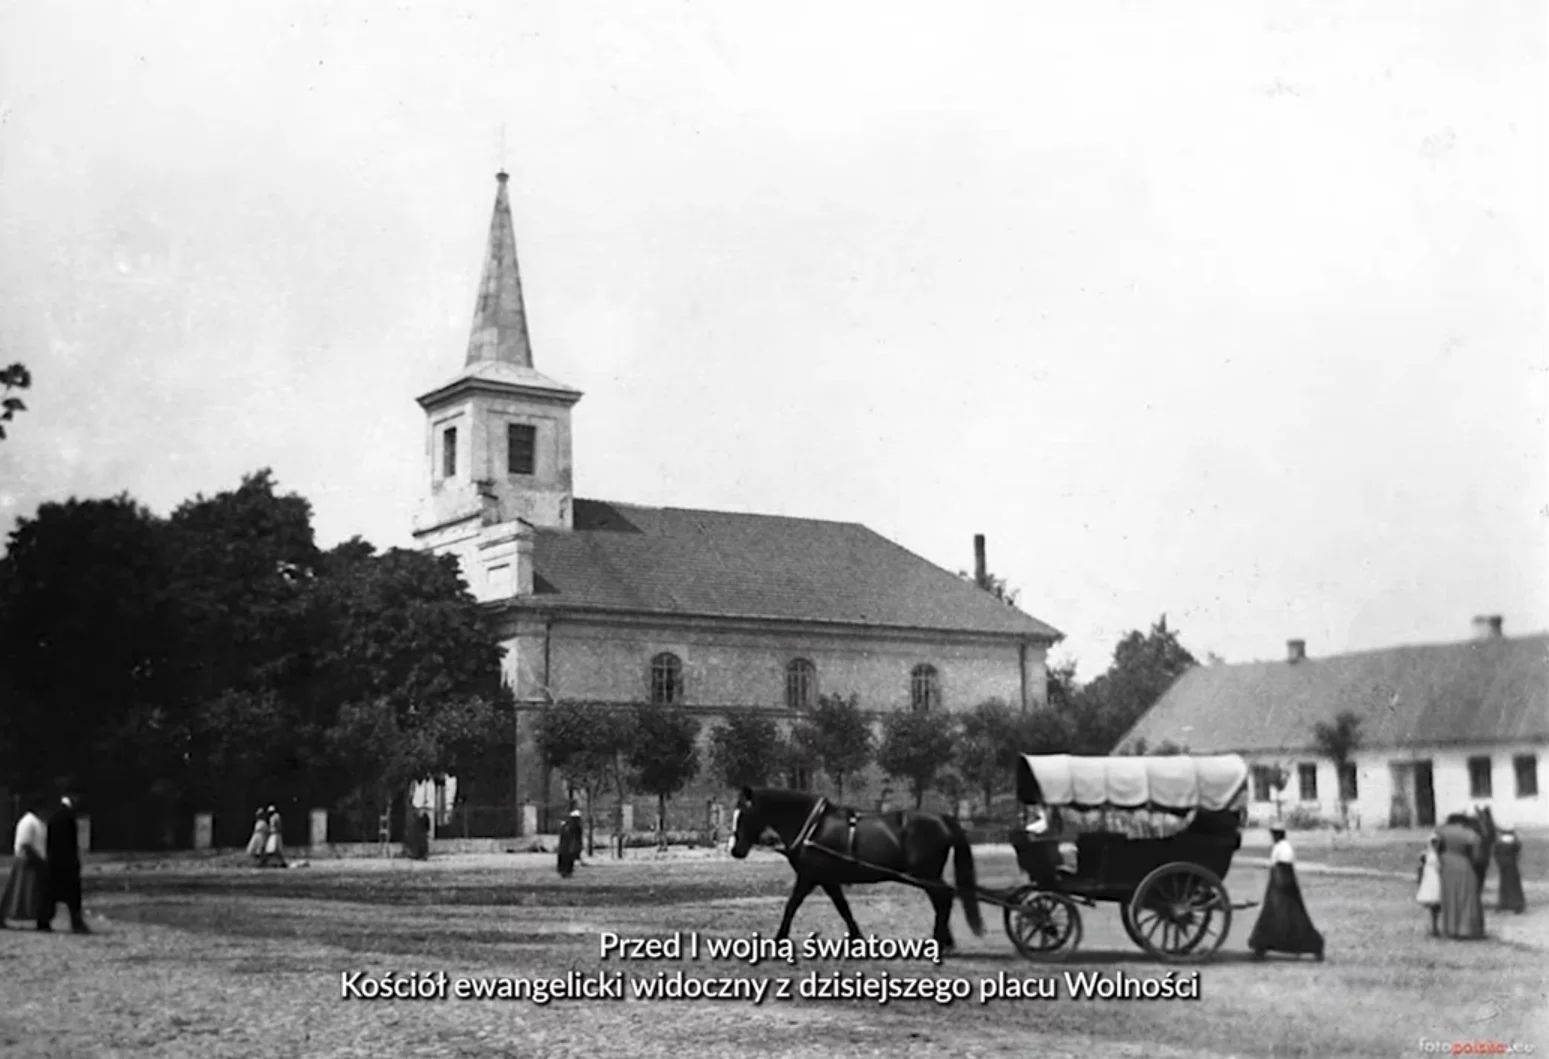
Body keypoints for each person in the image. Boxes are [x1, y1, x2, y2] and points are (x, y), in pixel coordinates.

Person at [1248, 826, 1325, 960]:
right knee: (1292, 915)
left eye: (1274, 834)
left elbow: (1278, 867)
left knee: (1273, 914)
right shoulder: (1286, 846)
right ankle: (1313, 946)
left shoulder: (1280, 847)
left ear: (1277, 835)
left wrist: (1275, 887)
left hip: (1280, 881)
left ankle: (1262, 946)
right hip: (1286, 882)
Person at [42, 794, 89, 934]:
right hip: (67, 862)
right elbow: (70, 843)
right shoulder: (68, 817)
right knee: (73, 895)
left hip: (53, 861)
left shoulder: (54, 816)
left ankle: (44, 920)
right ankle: (76, 922)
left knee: (50, 895)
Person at [1, 796, 49, 929]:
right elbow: (25, 843)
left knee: (32, 892)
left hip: (36, 858)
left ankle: (39, 918)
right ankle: (5, 915)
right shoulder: (28, 822)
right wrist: (37, 858)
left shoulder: (39, 822)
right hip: (28, 860)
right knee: (19, 891)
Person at [1435, 812, 1485, 939]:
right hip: (1464, 864)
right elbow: (1477, 856)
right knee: (1466, 898)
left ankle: (1450, 928)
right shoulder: (1470, 833)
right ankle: (1465, 929)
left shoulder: (1441, 831)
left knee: (1449, 898)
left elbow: (1435, 848)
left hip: (1446, 865)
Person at [1493, 825, 1525, 914]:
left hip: (1503, 865)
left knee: (1504, 885)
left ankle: (1504, 903)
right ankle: (1517, 904)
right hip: (1512, 865)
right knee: (1515, 885)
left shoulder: (1499, 843)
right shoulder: (1514, 842)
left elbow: (1496, 853)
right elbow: (1518, 850)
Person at [1416, 832, 1443, 936]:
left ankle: (1434, 927)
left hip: (1436, 880)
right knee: (1434, 906)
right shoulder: (1427, 854)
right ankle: (1434, 927)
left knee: (1436, 907)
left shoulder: (1433, 854)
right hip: (1432, 882)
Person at [557, 809, 584, 878]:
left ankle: (564, 872)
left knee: (565, 859)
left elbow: (562, 836)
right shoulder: (576, 825)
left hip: (564, 846)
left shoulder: (565, 824)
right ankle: (567, 872)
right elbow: (578, 836)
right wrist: (579, 845)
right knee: (569, 859)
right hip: (571, 845)